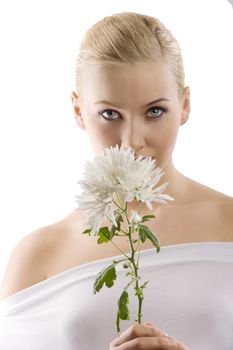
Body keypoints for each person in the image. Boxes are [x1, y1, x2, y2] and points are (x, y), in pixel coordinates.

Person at [0, 11, 233, 350]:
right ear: (79, 112)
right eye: (110, 114)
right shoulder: (39, 255)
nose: (131, 141)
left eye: (154, 111)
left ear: (184, 105)